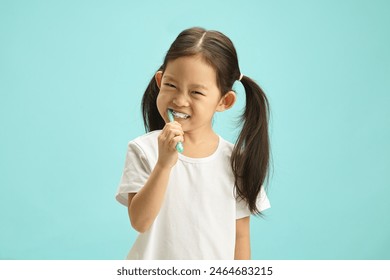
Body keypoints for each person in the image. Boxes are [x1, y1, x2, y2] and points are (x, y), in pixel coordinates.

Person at [115, 27, 271, 260]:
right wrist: (163, 165)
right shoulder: (144, 150)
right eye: (171, 85)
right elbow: (139, 221)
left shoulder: (236, 162)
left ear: (224, 101)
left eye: (196, 92)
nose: (179, 100)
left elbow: (240, 238)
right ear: (159, 81)